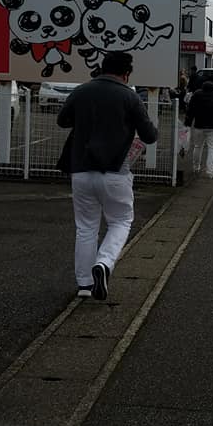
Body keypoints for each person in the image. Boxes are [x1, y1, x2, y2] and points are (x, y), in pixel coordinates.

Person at [57, 51, 158, 300]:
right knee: (121, 221)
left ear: (102, 68)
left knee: (86, 227)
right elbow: (149, 136)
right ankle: (104, 263)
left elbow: (62, 121)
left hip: (81, 170)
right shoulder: (129, 96)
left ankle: (84, 284)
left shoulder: (82, 91)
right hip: (115, 172)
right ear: (127, 73)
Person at [185, 79, 213, 178]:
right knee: (212, 149)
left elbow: (190, 110)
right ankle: (209, 171)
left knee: (197, 147)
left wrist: (188, 123)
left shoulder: (197, 94)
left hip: (199, 126)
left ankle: (196, 167)